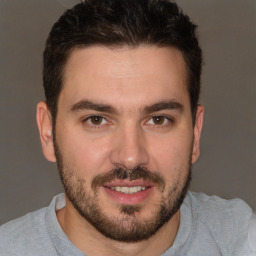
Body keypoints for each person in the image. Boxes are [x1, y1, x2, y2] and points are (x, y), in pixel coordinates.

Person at [0, 0, 255, 255]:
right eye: (96, 120)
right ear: (48, 132)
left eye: (158, 119)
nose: (131, 157)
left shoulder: (242, 241)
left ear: (195, 133)